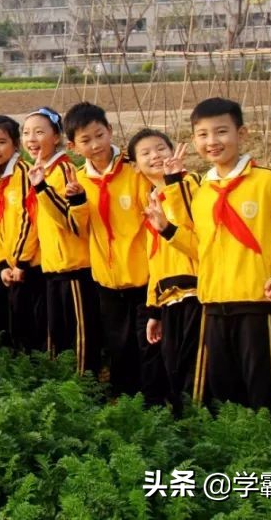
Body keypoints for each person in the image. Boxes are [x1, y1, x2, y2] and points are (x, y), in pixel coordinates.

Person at [175, 97, 271, 420]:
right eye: (203, 134)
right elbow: (201, 248)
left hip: (256, 300)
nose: (213, 142)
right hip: (213, 304)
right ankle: (235, 456)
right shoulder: (203, 191)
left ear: (242, 133)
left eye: (221, 132)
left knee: (264, 388)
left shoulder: (267, 182)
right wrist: (167, 230)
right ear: (195, 139)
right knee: (223, 390)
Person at [63, 102, 164, 402]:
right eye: (85, 140)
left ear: (110, 131)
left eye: (99, 135)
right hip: (107, 279)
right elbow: (79, 230)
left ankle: (155, 404)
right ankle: (124, 404)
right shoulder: (78, 180)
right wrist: (78, 202)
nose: (95, 145)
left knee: (148, 344)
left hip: (143, 277)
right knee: (119, 345)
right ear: (73, 146)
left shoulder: (135, 172)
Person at [24, 108, 101, 376]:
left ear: (56, 136)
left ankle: (85, 387)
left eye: (39, 131)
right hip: (53, 266)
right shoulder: (41, 170)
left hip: (74, 267)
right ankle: (60, 384)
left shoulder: (66, 170)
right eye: (26, 132)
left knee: (80, 334)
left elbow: (71, 221)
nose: (31, 138)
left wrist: (42, 188)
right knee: (58, 330)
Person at [130, 128, 201, 414]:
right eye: (145, 153)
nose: (155, 156)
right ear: (135, 166)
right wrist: (154, 311)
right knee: (173, 370)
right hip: (169, 299)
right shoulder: (153, 200)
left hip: (196, 294)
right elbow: (155, 262)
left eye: (161, 149)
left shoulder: (191, 186)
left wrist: (174, 182)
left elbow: (204, 244)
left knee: (192, 372)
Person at [0, 115, 46, 352]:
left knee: (30, 325)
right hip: (8, 266)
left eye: (1, 142)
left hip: (29, 265)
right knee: (11, 321)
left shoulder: (25, 174)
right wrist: (0, 263)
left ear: (15, 144)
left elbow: (31, 220)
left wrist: (21, 261)